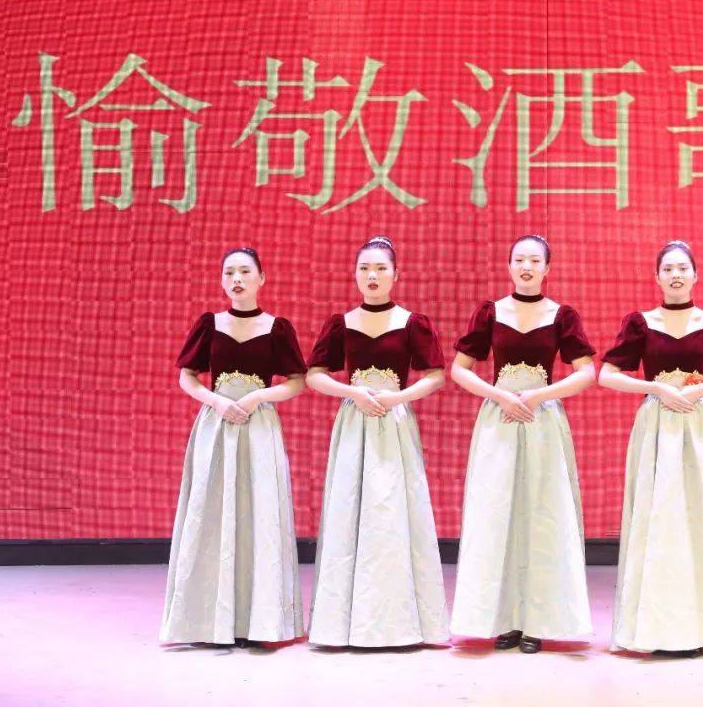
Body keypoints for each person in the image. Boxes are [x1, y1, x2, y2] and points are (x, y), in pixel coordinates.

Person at [599, 240, 703, 655]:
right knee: (659, 518)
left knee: (700, 515)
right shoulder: (641, 323)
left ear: (695, 275)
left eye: (682, 268)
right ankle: (656, 627)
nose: (675, 275)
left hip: (698, 424)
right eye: (668, 269)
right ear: (657, 277)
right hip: (657, 423)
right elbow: (607, 374)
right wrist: (656, 388)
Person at [449, 235, 596, 654]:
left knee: (543, 516)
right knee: (498, 514)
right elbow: (459, 369)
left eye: (534, 261)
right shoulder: (491, 312)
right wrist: (499, 396)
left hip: (541, 420)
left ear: (547, 268)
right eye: (519, 260)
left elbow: (586, 372)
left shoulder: (562, 316)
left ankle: (538, 621)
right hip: (499, 420)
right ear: (509, 266)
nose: (526, 267)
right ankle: (503, 619)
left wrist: (537, 396)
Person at [306, 236, 449, 648]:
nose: (372, 275)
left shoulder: (411, 322)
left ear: (395, 274)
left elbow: (436, 376)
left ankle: (401, 623)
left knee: (393, 511)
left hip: (394, 422)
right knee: (350, 509)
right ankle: (343, 625)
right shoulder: (341, 323)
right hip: (355, 423)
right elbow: (314, 375)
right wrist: (352, 393)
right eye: (365, 268)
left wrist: (397, 399)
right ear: (355, 274)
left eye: (381, 268)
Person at [161, 247, 305, 648]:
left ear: (262, 278)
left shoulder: (277, 327)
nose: (236, 279)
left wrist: (259, 397)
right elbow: (188, 377)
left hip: (259, 428)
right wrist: (217, 401)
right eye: (229, 273)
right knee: (211, 511)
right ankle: (207, 621)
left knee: (260, 514)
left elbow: (296, 382)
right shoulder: (210, 324)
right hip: (217, 426)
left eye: (244, 272)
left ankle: (259, 622)